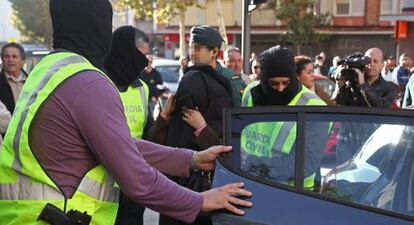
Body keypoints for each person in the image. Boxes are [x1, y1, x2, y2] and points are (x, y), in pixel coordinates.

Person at [0, 1, 252, 225]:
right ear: (97, 26)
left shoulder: (47, 69)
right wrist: (200, 201)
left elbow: (119, 145)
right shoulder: (88, 82)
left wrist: (191, 159)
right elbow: (135, 177)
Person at [160, 25, 233, 225]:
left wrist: (201, 129)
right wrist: (164, 117)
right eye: (192, 46)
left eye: (199, 47)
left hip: (200, 185)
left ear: (214, 52)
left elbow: (224, 147)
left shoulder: (214, 84)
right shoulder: (193, 77)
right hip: (180, 181)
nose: (193, 51)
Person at [240, 46, 329, 189]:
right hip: (246, 183)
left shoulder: (315, 106)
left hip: (292, 193)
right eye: (273, 83)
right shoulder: (250, 92)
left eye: (286, 83)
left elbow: (305, 163)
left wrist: (251, 163)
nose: (281, 88)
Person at [104, 25, 154, 225]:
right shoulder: (98, 83)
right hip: (102, 187)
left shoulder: (142, 88)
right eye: (140, 57)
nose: (142, 65)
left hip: (133, 184)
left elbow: (148, 133)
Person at [332, 48, 397, 107]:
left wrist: (363, 85)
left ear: (382, 65)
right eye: (368, 60)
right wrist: (340, 84)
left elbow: (384, 107)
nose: (371, 64)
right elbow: (338, 105)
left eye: (375, 61)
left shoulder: (389, 88)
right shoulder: (352, 83)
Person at [0, 42, 28, 115]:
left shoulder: (32, 82)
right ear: (2, 60)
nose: (10, 60)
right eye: (7, 56)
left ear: (23, 61)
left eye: (14, 56)